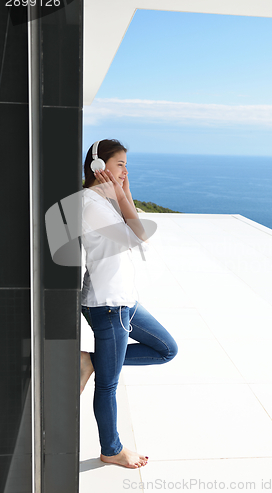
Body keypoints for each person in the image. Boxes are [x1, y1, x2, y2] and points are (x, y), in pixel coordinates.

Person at [80, 139, 178, 469]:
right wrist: (122, 193)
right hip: (109, 305)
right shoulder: (91, 204)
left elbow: (133, 224)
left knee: (166, 349)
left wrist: (124, 189)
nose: (125, 169)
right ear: (98, 167)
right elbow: (139, 235)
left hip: (123, 301)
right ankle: (112, 449)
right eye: (120, 163)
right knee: (108, 385)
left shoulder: (102, 201)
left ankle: (91, 361)